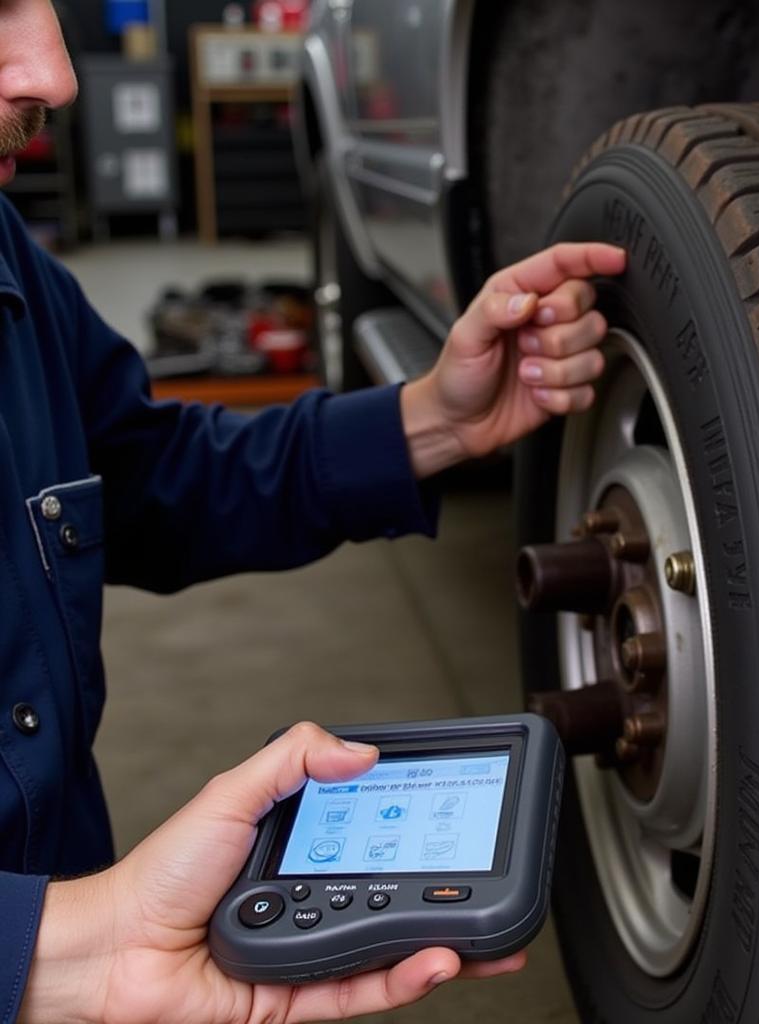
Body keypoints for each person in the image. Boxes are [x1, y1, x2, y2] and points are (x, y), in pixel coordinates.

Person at [0, 3, 627, 1022]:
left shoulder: (8, 262)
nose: (54, 78)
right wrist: (59, 952)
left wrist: (430, 422)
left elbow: (153, 477)